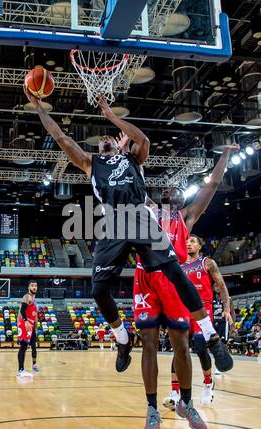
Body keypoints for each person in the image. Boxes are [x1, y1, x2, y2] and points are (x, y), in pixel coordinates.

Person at [25, 87, 230, 378]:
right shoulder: (89, 163)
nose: (106, 137)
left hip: (140, 217)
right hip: (114, 223)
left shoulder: (133, 159)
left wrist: (111, 115)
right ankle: (122, 337)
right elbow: (61, 137)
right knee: (98, 290)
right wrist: (39, 107)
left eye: (110, 135)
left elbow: (143, 139)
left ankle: (210, 335)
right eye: (102, 139)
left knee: (175, 272)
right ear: (97, 149)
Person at [132, 143, 238, 429]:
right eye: (166, 188)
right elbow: (134, 178)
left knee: (181, 344)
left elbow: (213, 183)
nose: (171, 189)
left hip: (174, 280)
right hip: (146, 277)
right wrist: (129, 151)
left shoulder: (187, 217)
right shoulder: (149, 209)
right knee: (149, 343)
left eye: (177, 188)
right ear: (161, 196)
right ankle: (152, 408)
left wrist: (226, 154)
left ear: (182, 199)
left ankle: (187, 403)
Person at [163, 235, 233, 410]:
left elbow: (222, 286)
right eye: (186, 241)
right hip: (182, 308)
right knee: (179, 348)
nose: (188, 243)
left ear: (200, 246)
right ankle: (174, 393)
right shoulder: (178, 266)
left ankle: (208, 384)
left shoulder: (207, 262)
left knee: (201, 346)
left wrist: (226, 308)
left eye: (193, 241)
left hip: (203, 308)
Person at [17, 280, 39, 377]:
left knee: (26, 347)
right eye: (32, 285)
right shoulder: (27, 296)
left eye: (35, 286)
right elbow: (22, 310)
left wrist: (35, 327)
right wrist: (25, 321)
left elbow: (35, 316)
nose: (34, 287)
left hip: (31, 324)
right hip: (25, 323)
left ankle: (23, 369)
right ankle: (20, 370)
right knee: (23, 347)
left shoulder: (33, 299)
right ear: (28, 287)